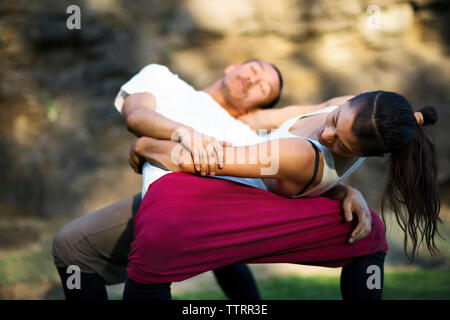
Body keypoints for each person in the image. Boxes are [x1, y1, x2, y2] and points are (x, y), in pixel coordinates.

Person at [123, 90, 441, 300]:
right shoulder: (358, 112)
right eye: (334, 119)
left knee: (134, 252)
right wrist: (342, 188)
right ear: (352, 101)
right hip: (232, 170)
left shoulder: (297, 155)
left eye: (341, 144)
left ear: (366, 155)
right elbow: (262, 120)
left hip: (238, 200)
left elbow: (199, 162)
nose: (325, 133)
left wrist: (143, 146)